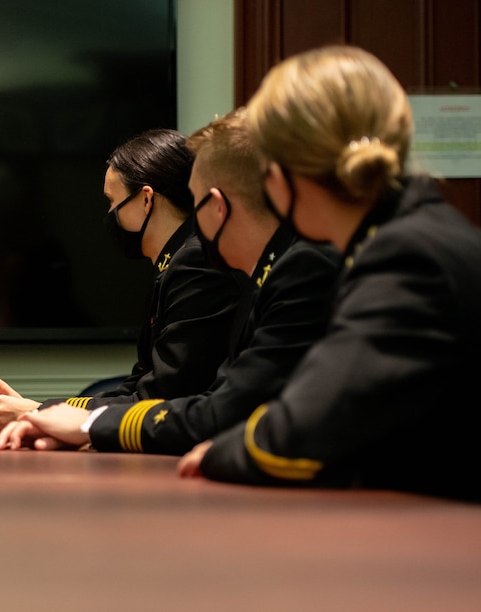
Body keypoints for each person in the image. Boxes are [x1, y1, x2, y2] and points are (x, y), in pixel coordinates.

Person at [177, 46, 481, 499]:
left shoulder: (404, 256)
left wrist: (223, 450)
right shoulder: (418, 232)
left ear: (280, 178)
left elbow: (302, 427)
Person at [0, 109, 342, 454]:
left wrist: (82, 424)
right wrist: (64, 418)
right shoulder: (271, 268)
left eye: (197, 202)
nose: (195, 225)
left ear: (216, 206)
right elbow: (217, 399)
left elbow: (210, 407)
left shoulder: (285, 267)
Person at [0, 129, 244, 431]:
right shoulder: (175, 264)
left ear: (146, 199)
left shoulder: (194, 264)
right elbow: (140, 384)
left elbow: (161, 395)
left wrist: (37, 412)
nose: (110, 214)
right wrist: (41, 410)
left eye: (112, 201)